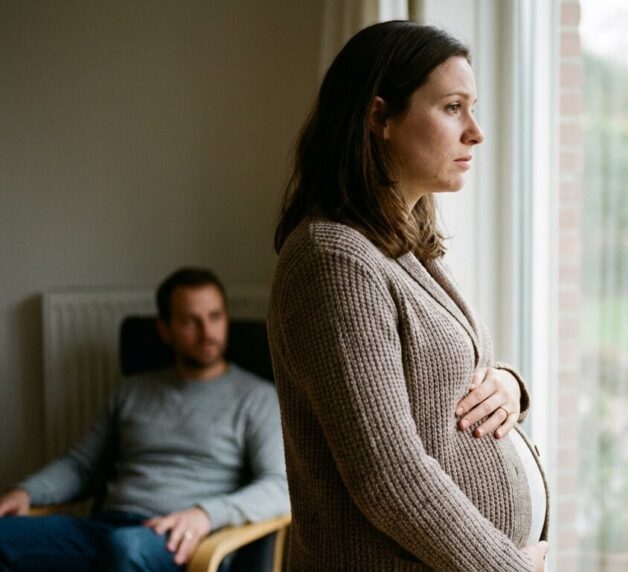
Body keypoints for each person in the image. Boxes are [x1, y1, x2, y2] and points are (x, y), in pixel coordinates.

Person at [268, 20, 549, 571]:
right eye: (452, 108)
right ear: (379, 118)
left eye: (474, 107)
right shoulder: (335, 259)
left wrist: (509, 385)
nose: (476, 131)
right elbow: (387, 476)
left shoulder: (397, 243)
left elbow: (436, 378)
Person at [0, 268, 289, 572]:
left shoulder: (256, 398)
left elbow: (279, 487)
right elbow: (80, 466)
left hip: (179, 538)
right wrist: (27, 492)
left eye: (215, 316)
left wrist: (205, 514)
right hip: (105, 529)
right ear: (165, 329)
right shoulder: (132, 391)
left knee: (126, 549)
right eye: (191, 321)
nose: (207, 332)